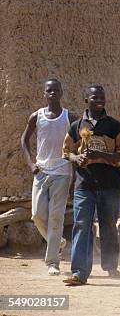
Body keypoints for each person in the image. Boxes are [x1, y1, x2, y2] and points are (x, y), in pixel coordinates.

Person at [62, 85, 120, 285]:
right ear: (87, 100)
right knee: (82, 225)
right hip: (84, 183)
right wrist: (78, 158)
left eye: (102, 97)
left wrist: (101, 155)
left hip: (109, 184)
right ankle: (79, 272)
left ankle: (111, 266)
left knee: (108, 226)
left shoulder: (114, 126)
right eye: (95, 97)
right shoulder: (76, 126)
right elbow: (67, 152)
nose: (100, 100)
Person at [20, 79, 78, 276]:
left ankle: (52, 262)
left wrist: (74, 177)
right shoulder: (37, 116)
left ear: (62, 93)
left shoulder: (70, 117)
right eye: (49, 90)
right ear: (44, 93)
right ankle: (59, 242)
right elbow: (24, 140)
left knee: (56, 218)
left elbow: (77, 148)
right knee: (37, 214)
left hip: (62, 172)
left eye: (56, 90)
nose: (52, 93)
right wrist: (31, 164)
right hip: (41, 172)